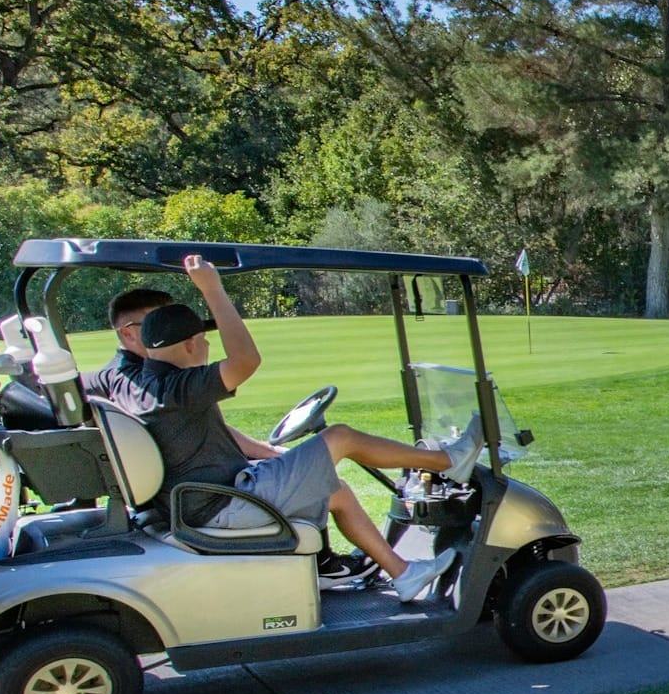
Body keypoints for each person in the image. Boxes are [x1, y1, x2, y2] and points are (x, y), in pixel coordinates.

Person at [130, 255, 481, 602]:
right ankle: (448, 461)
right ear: (191, 344)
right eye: (204, 340)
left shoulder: (149, 386)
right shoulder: (177, 389)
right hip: (223, 506)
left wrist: (270, 454)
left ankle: (404, 573)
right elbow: (246, 361)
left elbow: (214, 434)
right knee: (340, 436)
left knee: (336, 491)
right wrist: (213, 289)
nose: (207, 345)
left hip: (212, 497)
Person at [90, 288, 378, 589]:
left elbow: (202, 429)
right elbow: (243, 363)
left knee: (314, 479)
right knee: (329, 472)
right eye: (154, 322)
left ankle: (322, 563)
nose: (165, 327)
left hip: (185, 490)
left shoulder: (123, 377)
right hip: (203, 497)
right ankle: (330, 564)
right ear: (128, 334)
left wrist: (267, 451)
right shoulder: (150, 383)